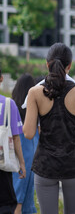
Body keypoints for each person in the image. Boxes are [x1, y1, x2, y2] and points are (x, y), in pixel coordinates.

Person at [23, 43, 75, 214]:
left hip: (45, 165)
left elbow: (28, 133)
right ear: (69, 66)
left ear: (47, 64)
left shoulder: (34, 92)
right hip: (73, 165)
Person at [0, 68, 26, 214]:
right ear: (1, 79)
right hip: (3, 165)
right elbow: (16, 137)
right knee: (6, 205)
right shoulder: (9, 105)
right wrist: (21, 163)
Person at [12, 74, 38, 214]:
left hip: (14, 158)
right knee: (23, 201)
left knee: (18, 199)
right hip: (28, 159)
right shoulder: (33, 111)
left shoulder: (11, 108)